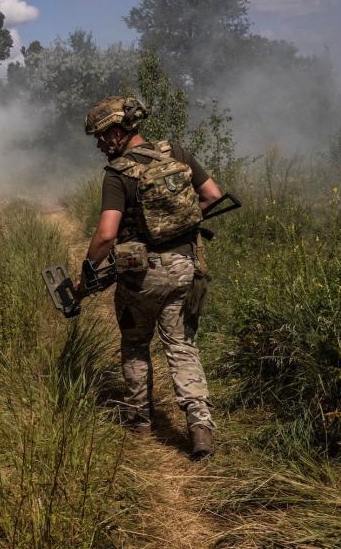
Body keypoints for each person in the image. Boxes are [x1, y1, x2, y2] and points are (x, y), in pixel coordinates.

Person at [82, 97, 222, 459]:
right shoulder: (175, 152)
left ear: (117, 131)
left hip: (140, 276)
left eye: (100, 137)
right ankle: (200, 425)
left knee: (135, 343)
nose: (99, 144)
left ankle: (139, 423)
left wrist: (88, 268)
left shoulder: (118, 174)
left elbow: (106, 234)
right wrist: (183, 221)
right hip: (187, 267)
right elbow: (212, 196)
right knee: (182, 345)